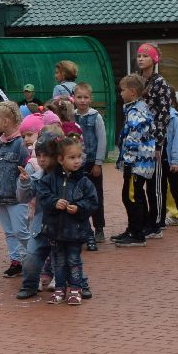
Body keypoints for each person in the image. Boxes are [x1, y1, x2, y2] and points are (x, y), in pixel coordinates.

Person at [33, 135, 97, 305]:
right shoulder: (50, 179)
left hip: (75, 230)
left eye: (79, 157)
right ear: (60, 159)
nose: (77, 161)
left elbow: (92, 202)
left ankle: (76, 289)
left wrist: (79, 208)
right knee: (58, 261)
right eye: (72, 157)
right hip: (55, 230)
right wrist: (55, 202)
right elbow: (43, 195)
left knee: (74, 260)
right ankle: (60, 289)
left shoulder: (84, 181)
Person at [135, 44, 177, 237]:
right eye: (139, 55)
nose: (141, 59)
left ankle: (157, 223)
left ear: (154, 59)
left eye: (145, 56)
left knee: (156, 184)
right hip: (138, 139)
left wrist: (159, 143)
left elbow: (163, 114)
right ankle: (143, 220)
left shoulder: (160, 83)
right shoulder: (135, 81)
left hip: (154, 140)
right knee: (139, 182)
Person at [112, 74, 158, 248]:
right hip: (139, 163)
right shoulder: (134, 108)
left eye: (122, 90)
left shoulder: (136, 111)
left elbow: (134, 137)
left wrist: (128, 161)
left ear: (132, 92)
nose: (120, 93)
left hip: (137, 164)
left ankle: (137, 234)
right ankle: (133, 229)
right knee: (133, 195)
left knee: (131, 197)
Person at [0, 101, 29, 277]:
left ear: (7, 121)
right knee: (9, 232)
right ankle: (16, 261)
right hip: (0, 196)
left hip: (17, 197)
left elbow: (26, 169)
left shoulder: (21, 145)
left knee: (21, 230)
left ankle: (33, 259)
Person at [15, 133, 61, 297]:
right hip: (40, 227)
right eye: (38, 155)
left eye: (46, 155)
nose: (41, 159)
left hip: (62, 228)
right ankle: (29, 286)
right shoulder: (36, 177)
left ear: (57, 156)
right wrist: (24, 182)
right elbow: (23, 198)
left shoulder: (66, 178)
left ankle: (80, 284)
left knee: (68, 259)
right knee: (31, 257)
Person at [72, 83, 109, 246]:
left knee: (96, 196)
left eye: (85, 97)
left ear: (90, 98)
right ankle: (81, 229)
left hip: (92, 162)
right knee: (77, 196)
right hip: (75, 163)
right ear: (74, 98)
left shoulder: (96, 117)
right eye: (79, 97)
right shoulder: (72, 116)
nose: (82, 100)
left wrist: (98, 162)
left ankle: (99, 227)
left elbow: (102, 140)